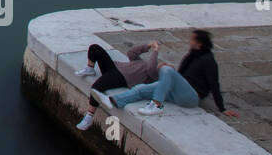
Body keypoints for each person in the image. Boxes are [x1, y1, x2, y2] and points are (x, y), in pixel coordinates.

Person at [92, 29, 241, 118]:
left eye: (192, 40)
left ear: (200, 43)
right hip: (177, 91)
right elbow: (182, 75)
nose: (190, 41)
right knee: (141, 88)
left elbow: (214, 83)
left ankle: (157, 105)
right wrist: (171, 71)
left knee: (165, 69)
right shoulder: (192, 55)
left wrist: (222, 108)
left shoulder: (208, 60)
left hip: (191, 97)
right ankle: (115, 101)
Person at [73, 41, 161, 130]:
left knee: (96, 87)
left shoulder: (153, 76)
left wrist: (156, 51)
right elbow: (131, 53)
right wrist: (148, 45)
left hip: (121, 77)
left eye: (166, 66)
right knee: (94, 48)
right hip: (114, 67)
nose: (164, 63)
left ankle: (89, 117)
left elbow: (151, 67)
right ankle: (90, 68)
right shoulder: (142, 63)